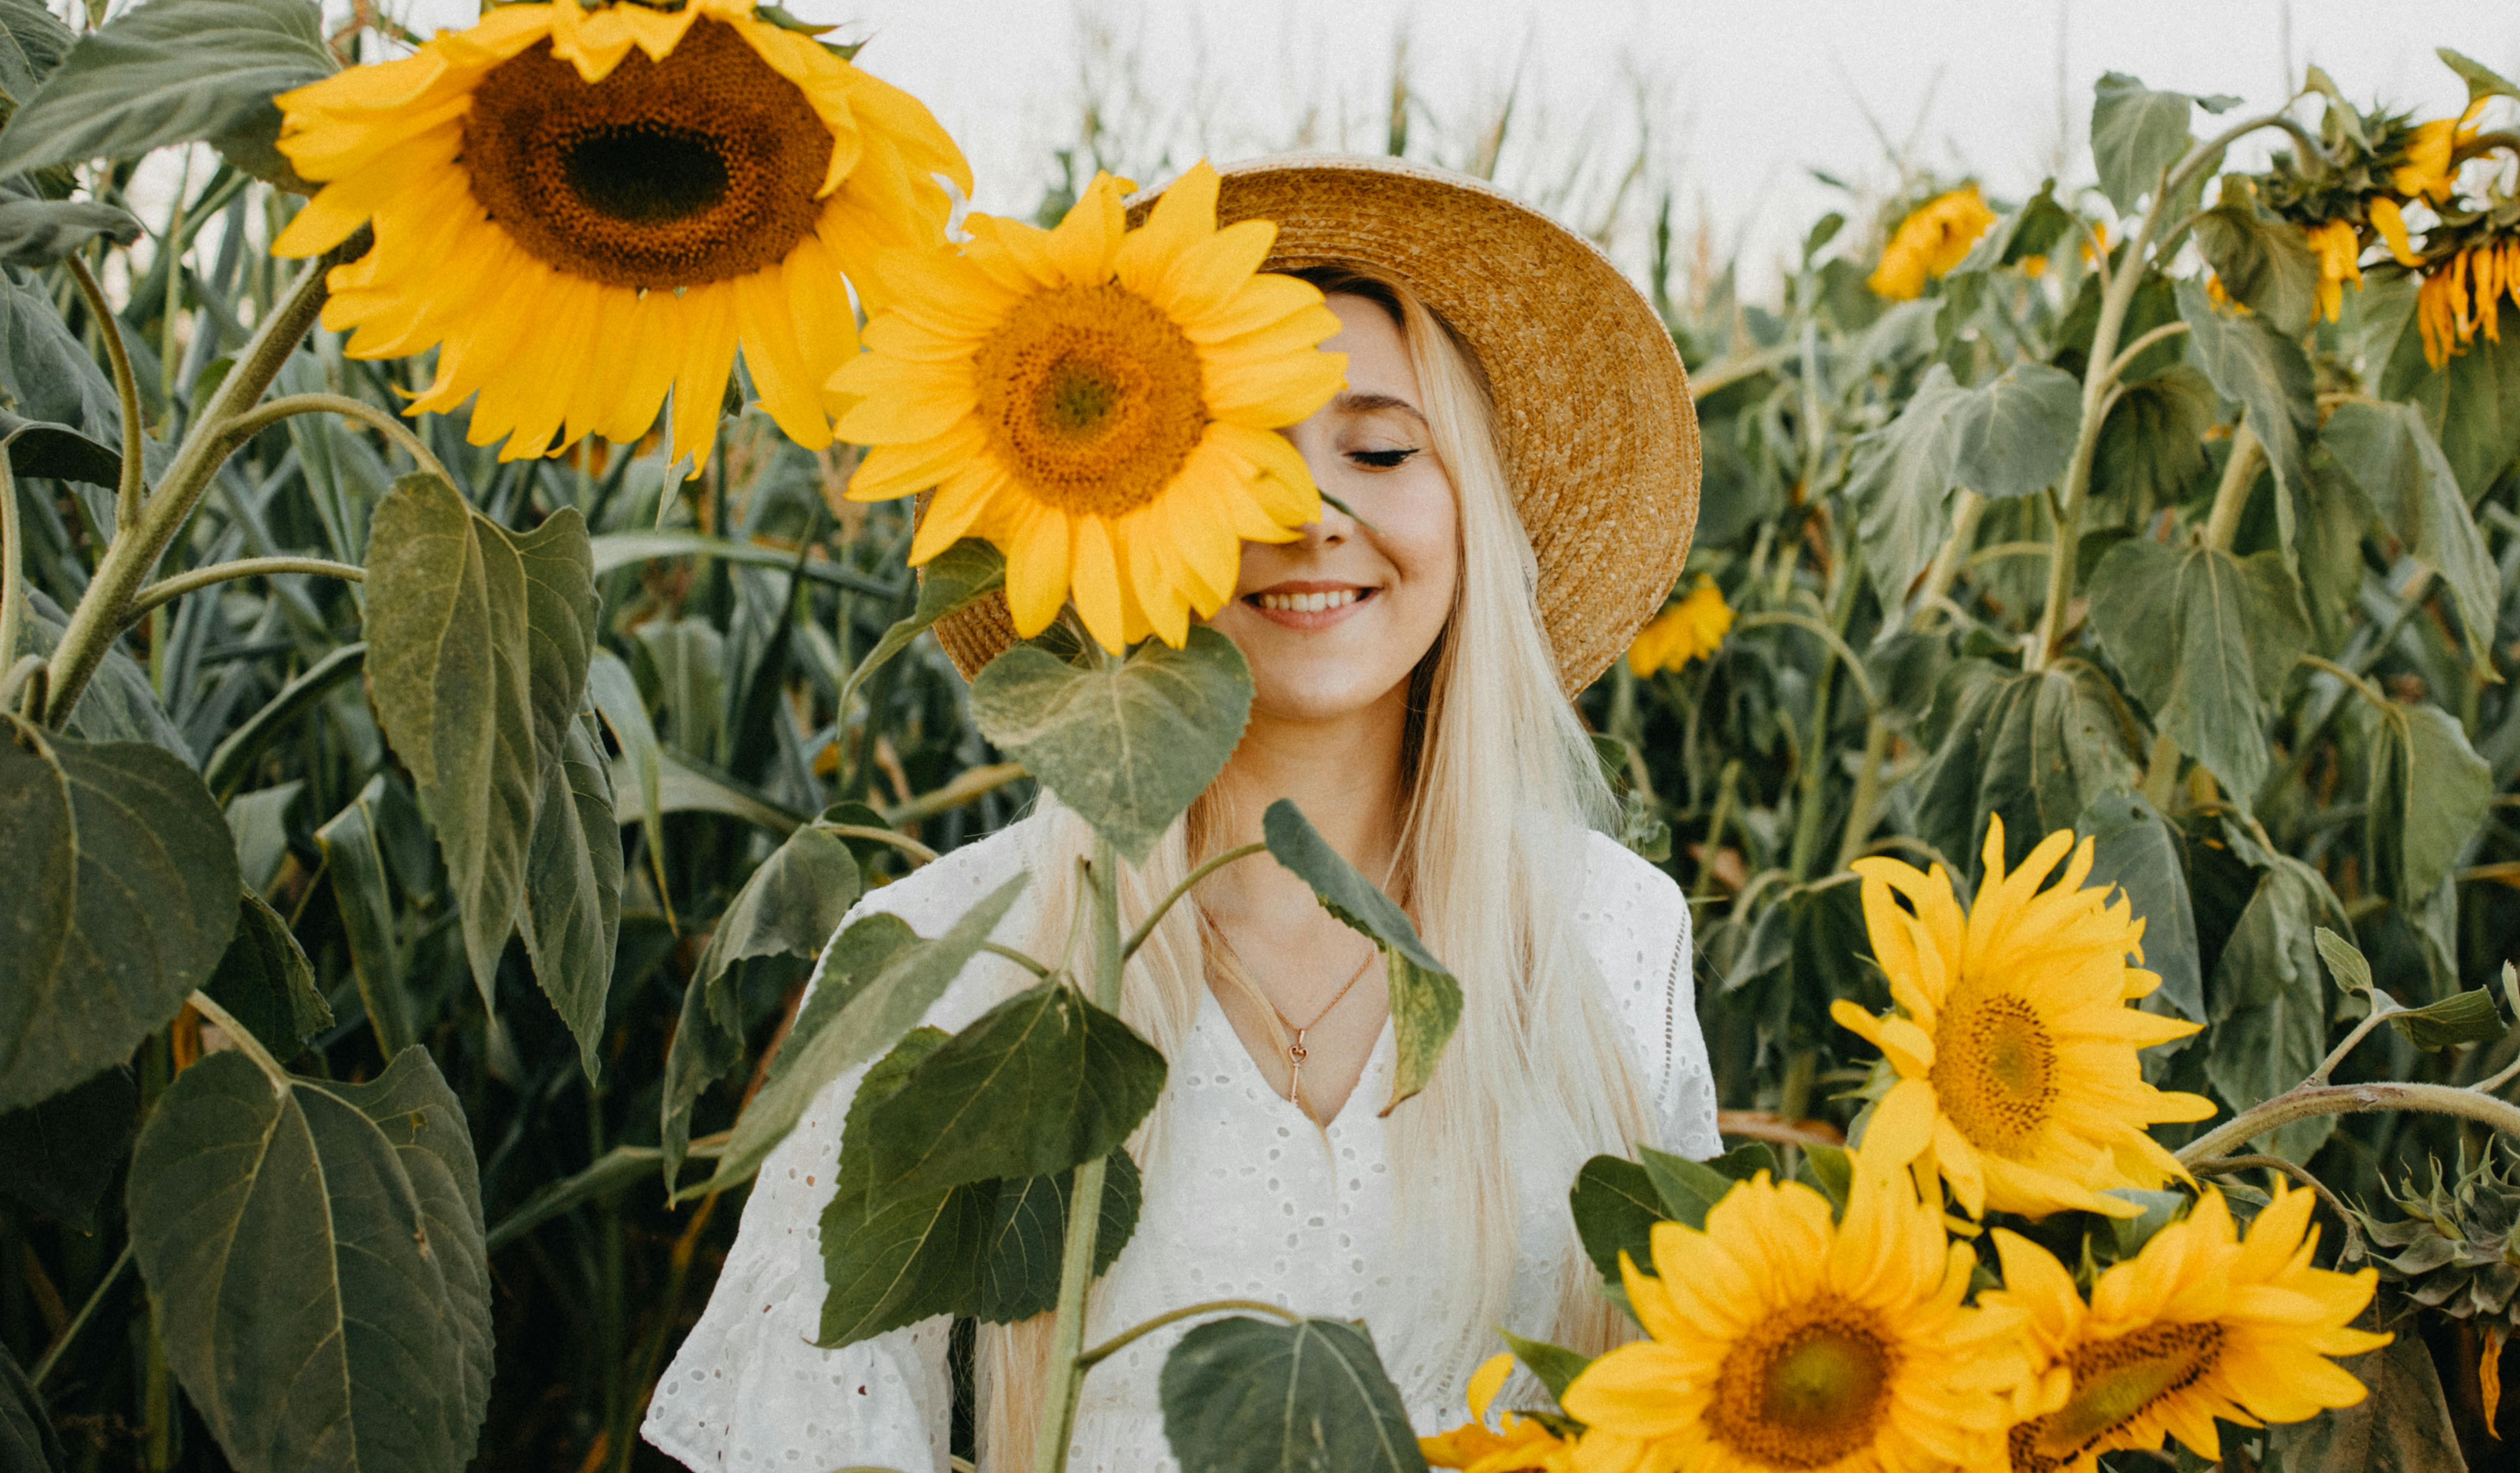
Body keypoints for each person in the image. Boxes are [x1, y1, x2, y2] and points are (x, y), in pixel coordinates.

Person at [644, 155, 1716, 1473]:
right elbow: (805, 1429)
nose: (1308, 517)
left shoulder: (1611, 934)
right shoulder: (950, 961)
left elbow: (1689, 1395)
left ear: (1474, 513)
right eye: (1237, 459)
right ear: (1121, 505)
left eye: (1380, 450)